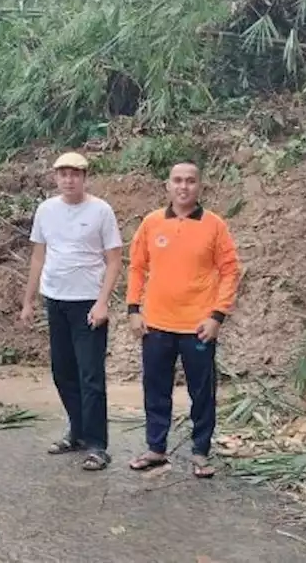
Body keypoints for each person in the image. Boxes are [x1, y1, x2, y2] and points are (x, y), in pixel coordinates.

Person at [126, 162, 241, 479]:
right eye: (177, 180)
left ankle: (201, 451)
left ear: (199, 186)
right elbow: (136, 267)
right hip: (157, 323)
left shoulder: (214, 225)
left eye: (190, 181)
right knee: (156, 388)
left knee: (202, 392)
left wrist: (217, 315)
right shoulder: (151, 223)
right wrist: (133, 309)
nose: (183, 187)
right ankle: (156, 449)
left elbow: (230, 271)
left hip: (198, 327)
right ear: (168, 185)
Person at [19, 151, 122, 471]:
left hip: (88, 303)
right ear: (56, 177)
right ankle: (76, 432)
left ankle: (97, 445)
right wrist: (28, 300)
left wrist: (103, 302)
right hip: (56, 300)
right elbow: (38, 256)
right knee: (63, 371)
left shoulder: (101, 210)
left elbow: (115, 259)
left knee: (90, 375)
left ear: (84, 177)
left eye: (75, 174)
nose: (69, 179)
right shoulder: (46, 210)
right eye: (63, 174)